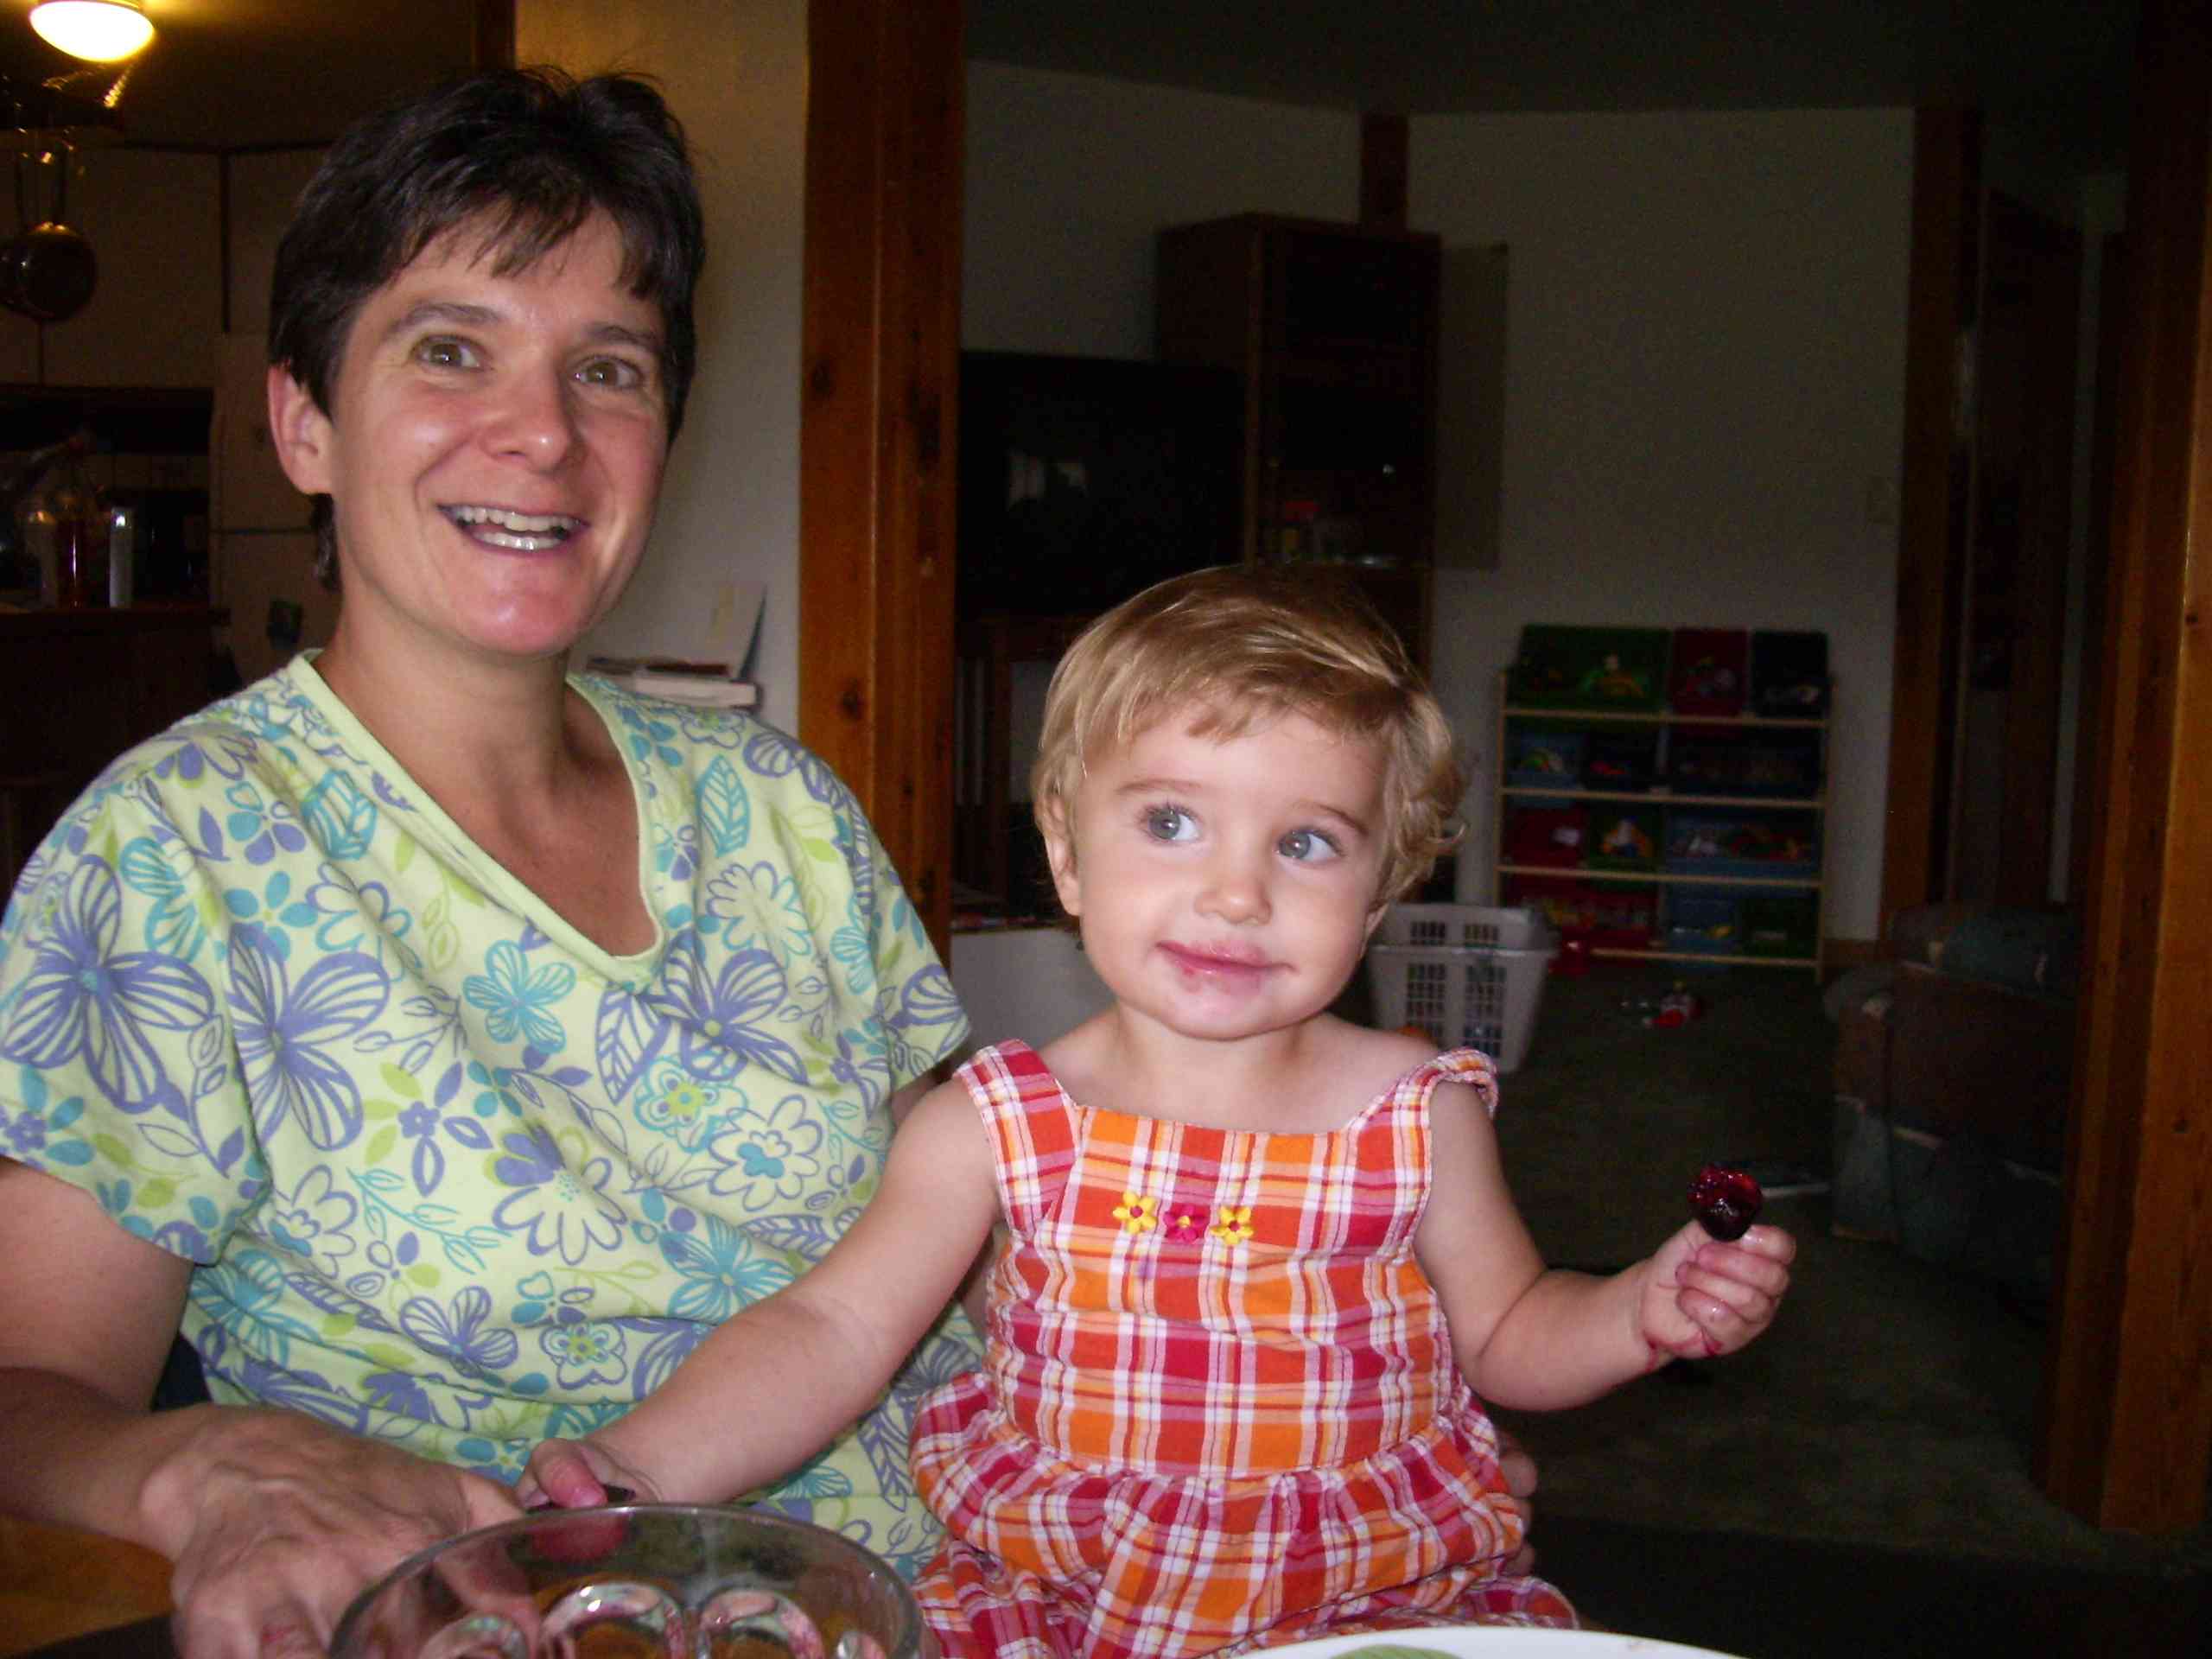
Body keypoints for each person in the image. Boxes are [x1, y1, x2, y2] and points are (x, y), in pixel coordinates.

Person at [0, 67, 979, 1656]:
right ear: (304, 423)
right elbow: (31, 1391)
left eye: (610, 368)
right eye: (450, 349)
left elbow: (988, 1235)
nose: (543, 433)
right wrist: (200, 1469)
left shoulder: (785, 809)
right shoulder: (172, 853)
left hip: (993, 1588)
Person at [524, 565, 1796, 1657]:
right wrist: (641, 1469)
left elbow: (1511, 1332)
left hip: (1363, 1603)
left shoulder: (1415, 1114)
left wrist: (1636, 1310)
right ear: (1067, 854)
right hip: (1066, 1607)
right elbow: (832, 1325)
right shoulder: (993, 1123)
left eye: (1305, 844)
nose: (1236, 894)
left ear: (1379, 894)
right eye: (1173, 822)